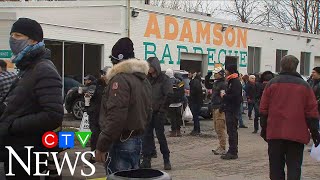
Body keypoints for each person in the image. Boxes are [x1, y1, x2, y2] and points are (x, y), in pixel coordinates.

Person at [0, 18, 64, 179]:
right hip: (17, 148)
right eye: (12, 35)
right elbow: (23, 104)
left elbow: (53, 115)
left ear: (34, 39)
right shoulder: (27, 68)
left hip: (27, 151)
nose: (13, 39)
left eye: (18, 35)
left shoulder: (43, 69)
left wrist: (12, 125)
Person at [95, 37, 152, 174]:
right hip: (136, 140)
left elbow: (116, 117)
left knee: (118, 176)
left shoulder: (120, 80)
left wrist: (102, 145)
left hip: (121, 141)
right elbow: (148, 113)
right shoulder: (143, 81)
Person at [260, 55, 320, 180]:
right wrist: (315, 133)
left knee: (276, 168)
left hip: (275, 132)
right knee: (294, 167)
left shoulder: (271, 84)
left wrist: (264, 129)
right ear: (296, 66)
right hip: (297, 133)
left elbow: (263, 109)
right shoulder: (305, 86)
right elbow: (311, 112)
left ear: (281, 66)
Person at [140, 57, 172, 170]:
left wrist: (162, 110)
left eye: (150, 66)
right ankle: (146, 159)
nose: (148, 68)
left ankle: (166, 159)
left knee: (160, 136)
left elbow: (168, 95)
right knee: (147, 136)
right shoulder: (147, 79)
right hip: (148, 112)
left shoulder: (164, 79)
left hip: (159, 112)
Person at [87, 67, 109, 163]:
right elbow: (87, 98)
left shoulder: (111, 85)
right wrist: (88, 109)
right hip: (95, 115)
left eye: (105, 74)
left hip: (106, 115)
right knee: (95, 135)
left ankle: (105, 154)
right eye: (102, 74)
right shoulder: (95, 85)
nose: (103, 76)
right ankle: (93, 155)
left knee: (105, 135)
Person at [220, 65, 242, 160]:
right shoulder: (231, 81)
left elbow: (235, 97)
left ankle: (233, 151)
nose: (225, 72)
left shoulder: (235, 82)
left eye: (226, 70)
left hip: (233, 110)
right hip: (229, 108)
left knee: (232, 130)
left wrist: (224, 96)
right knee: (230, 130)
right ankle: (232, 150)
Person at [205, 67, 227, 155]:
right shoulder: (216, 83)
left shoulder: (223, 84)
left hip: (219, 108)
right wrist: (208, 76)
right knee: (216, 128)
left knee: (220, 128)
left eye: (216, 73)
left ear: (220, 74)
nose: (214, 75)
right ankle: (220, 145)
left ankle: (223, 147)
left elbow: (223, 97)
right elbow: (207, 85)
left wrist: (222, 107)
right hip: (214, 107)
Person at [166, 68, 184, 137]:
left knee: (172, 118)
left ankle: (173, 131)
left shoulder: (167, 82)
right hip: (178, 102)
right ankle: (178, 131)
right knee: (178, 117)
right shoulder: (179, 81)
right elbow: (183, 90)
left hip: (170, 103)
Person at [189, 71, 203, 136]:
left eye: (189, 73)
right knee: (195, 116)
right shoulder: (196, 81)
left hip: (195, 101)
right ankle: (196, 129)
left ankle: (196, 130)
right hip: (197, 101)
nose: (188, 75)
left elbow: (195, 91)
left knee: (195, 116)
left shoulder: (195, 81)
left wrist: (191, 93)